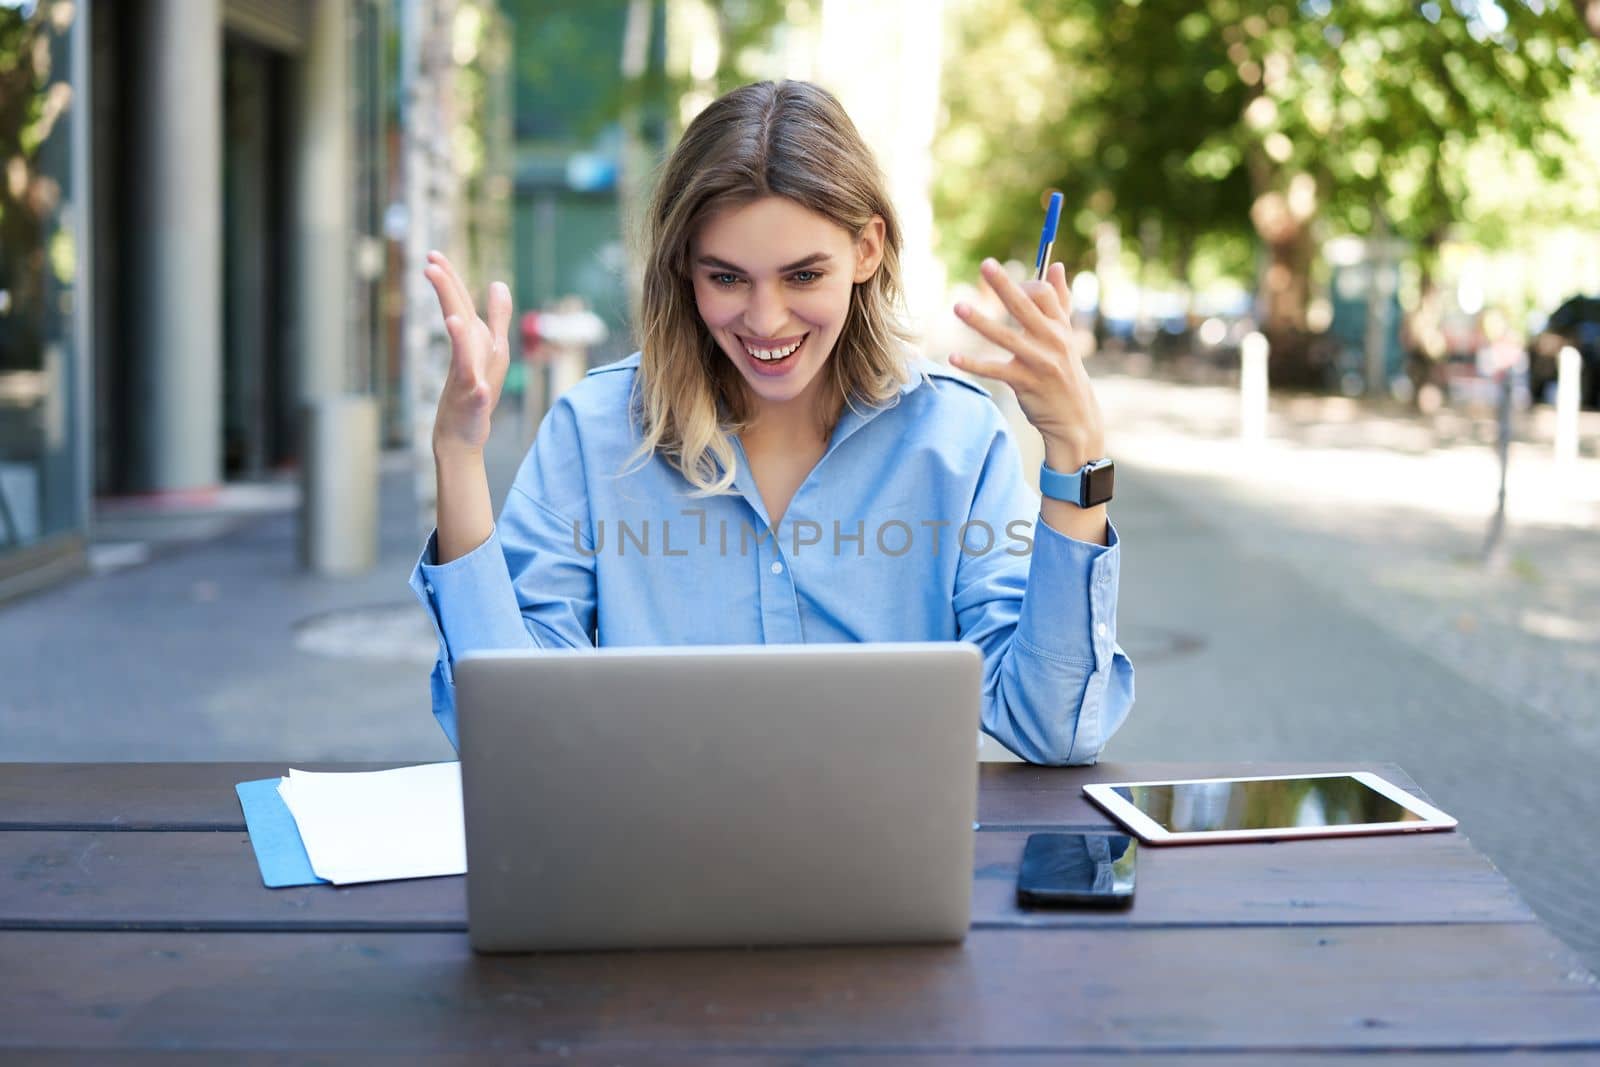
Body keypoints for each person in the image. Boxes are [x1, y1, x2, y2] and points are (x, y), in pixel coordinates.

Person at [409, 80, 1133, 764]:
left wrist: (1076, 454)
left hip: (888, 879)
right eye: (726, 277)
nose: (765, 320)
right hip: (653, 874)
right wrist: (458, 454)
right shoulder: (593, 431)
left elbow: (1053, 728)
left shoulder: (955, 439)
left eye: (802, 275)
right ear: (685, 269)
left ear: (867, 249)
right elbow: (507, 732)